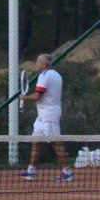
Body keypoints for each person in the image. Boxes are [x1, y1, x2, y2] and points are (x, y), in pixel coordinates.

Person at [17, 53, 72, 183]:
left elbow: (37, 97)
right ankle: (31, 172)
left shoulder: (44, 76)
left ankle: (67, 173)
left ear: (44, 64)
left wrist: (24, 97)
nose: (36, 64)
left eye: (38, 62)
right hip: (42, 116)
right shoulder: (57, 75)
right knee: (36, 142)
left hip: (49, 114)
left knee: (56, 143)